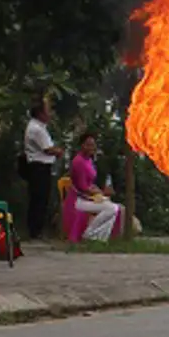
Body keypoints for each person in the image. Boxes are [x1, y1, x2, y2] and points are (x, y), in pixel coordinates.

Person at [69, 134, 124, 242]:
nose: (91, 148)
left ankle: (100, 238)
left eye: (93, 145)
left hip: (89, 196)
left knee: (115, 208)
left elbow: (90, 183)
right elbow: (83, 187)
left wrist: (99, 191)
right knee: (111, 208)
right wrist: (100, 192)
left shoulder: (88, 160)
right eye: (88, 145)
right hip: (79, 199)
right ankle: (89, 234)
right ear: (81, 145)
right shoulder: (78, 161)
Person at [22, 100, 63, 241]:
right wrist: (58, 151)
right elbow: (47, 149)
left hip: (41, 166)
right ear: (40, 113)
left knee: (40, 198)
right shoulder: (36, 129)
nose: (50, 114)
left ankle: (36, 229)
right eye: (47, 111)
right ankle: (35, 231)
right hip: (38, 166)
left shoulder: (40, 127)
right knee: (39, 199)